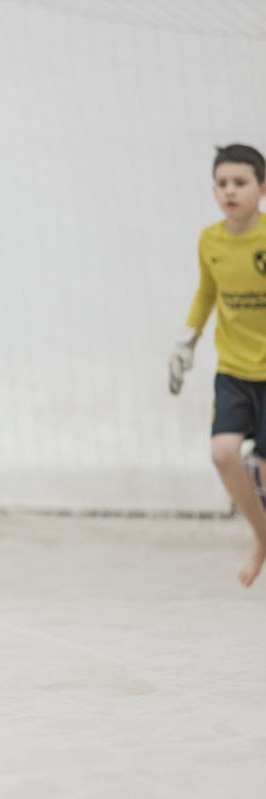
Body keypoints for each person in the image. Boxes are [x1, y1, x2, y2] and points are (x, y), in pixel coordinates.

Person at [170, 143, 266, 587]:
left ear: (261, 189)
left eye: (240, 183)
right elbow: (206, 294)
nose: (230, 191)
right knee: (223, 453)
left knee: (263, 470)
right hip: (233, 370)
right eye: (222, 183)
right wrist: (186, 341)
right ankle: (262, 536)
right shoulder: (209, 240)